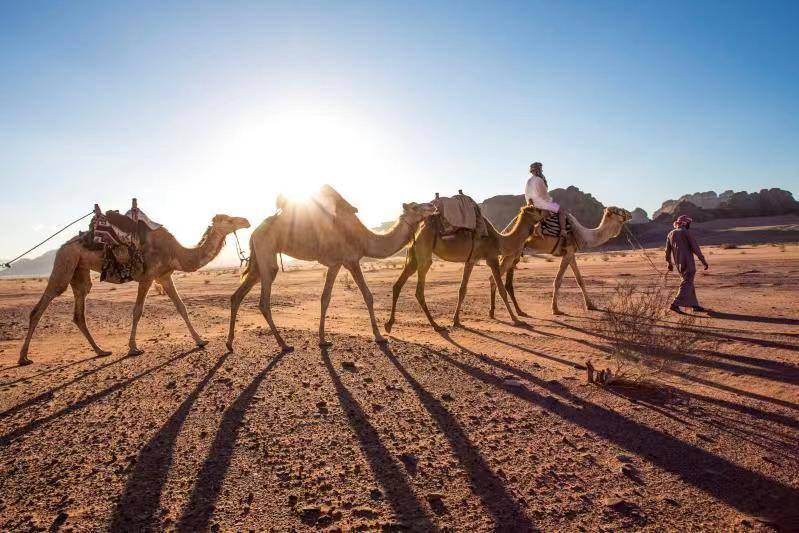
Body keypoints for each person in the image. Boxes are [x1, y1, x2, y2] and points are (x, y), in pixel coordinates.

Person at [665, 215, 709, 313]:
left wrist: (669, 263)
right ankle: (675, 304)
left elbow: (667, 251)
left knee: (689, 282)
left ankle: (694, 304)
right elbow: (695, 248)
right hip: (688, 262)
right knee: (687, 282)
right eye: (689, 223)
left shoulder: (670, 233)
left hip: (678, 264)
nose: (690, 225)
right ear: (685, 223)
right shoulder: (686, 232)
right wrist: (703, 261)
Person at [524, 162, 567, 255]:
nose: (539, 171)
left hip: (531, 204)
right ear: (536, 170)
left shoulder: (529, 180)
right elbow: (544, 196)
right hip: (542, 204)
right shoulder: (539, 180)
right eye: (539, 169)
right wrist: (550, 202)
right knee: (561, 210)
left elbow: (527, 195)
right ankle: (563, 231)